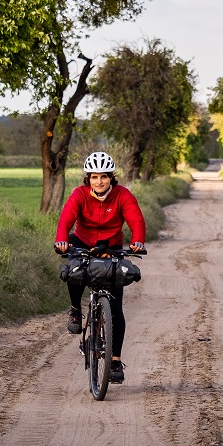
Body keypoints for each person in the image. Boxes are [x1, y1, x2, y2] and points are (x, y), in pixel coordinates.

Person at [54, 151, 146, 384]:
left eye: (104, 176)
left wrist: (138, 240)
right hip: (82, 242)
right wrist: (61, 239)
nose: (99, 181)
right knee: (74, 272)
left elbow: (136, 219)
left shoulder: (122, 195)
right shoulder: (80, 195)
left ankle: (115, 360)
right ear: (88, 178)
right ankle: (76, 310)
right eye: (94, 177)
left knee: (116, 309)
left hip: (111, 246)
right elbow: (66, 218)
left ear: (111, 177)